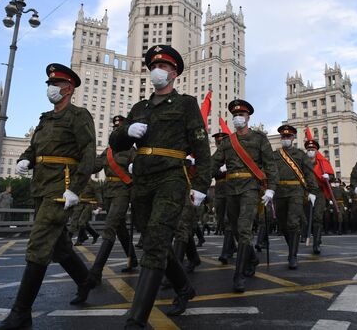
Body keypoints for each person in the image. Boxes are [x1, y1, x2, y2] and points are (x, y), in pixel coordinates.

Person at [109, 45, 211, 327]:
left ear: (174, 73)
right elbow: (115, 143)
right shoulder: (139, 107)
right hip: (142, 181)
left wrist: (201, 184)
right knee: (154, 241)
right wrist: (125, 131)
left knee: (155, 241)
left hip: (171, 178)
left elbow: (202, 149)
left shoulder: (186, 104)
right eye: (154, 66)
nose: (157, 71)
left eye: (164, 66)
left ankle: (137, 319)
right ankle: (183, 287)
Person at [0, 63, 96, 330]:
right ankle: (86, 280)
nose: (50, 88)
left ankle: (21, 313)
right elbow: (33, 147)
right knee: (60, 246)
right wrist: (25, 159)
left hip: (60, 191)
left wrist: (75, 187)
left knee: (38, 245)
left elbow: (88, 153)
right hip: (40, 188)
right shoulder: (45, 119)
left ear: (68, 88)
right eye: (49, 84)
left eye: (55, 84)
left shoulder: (79, 115)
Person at [211, 99, 278, 293]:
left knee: (243, 228)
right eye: (235, 116)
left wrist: (271, 188)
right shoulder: (227, 141)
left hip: (250, 187)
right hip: (230, 188)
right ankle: (253, 259)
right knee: (235, 229)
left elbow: (270, 165)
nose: (238, 118)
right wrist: (200, 184)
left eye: (241, 115)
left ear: (248, 117)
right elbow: (213, 164)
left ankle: (238, 276)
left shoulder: (259, 138)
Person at [89, 115, 138, 285]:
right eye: (115, 128)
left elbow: (138, 172)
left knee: (109, 227)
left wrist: (135, 168)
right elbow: (95, 166)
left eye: (120, 128)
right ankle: (133, 259)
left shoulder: (132, 151)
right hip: (108, 191)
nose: (117, 130)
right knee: (120, 229)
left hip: (123, 192)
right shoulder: (108, 151)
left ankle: (96, 271)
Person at [272, 125, 318, 269]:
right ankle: (292, 246)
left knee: (293, 223)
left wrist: (312, 191)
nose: (286, 139)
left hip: (296, 191)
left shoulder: (300, 154)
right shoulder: (275, 155)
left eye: (288, 137)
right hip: (279, 191)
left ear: (293, 138)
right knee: (283, 224)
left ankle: (292, 255)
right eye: (283, 137)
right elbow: (269, 171)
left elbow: (309, 173)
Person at [212, 132, 237, 264]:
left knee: (228, 220)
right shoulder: (216, 155)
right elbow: (211, 170)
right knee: (221, 220)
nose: (220, 144)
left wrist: (227, 170)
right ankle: (232, 246)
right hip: (219, 190)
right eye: (218, 142)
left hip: (232, 188)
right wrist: (220, 171)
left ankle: (225, 252)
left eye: (222, 142)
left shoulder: (232, 153)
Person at [304, 138, 331, 254]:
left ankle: (316, 242)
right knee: (305, 218)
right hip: (306, 192)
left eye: (312, 149)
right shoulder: (303, 163)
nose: (310, 151)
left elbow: (332, 176)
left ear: (316, 151)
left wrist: (328, 177)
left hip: (319, 193)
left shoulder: (323, 164)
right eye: (308, 149)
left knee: (317, 217)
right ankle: (306, 236)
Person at [69, 179, 101, 246]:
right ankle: (94, 234)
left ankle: (80, 239)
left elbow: (98, 196)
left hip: (89, 204)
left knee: (82, 222)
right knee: (74, 221)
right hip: (80, 203)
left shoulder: (93, 183)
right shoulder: (79, 182)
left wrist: (98, 207)